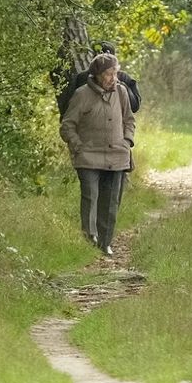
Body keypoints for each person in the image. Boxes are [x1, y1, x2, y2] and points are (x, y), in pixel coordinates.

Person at [60, 53, 135, 256]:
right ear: (98, 74)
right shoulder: (82, 94)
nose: (113, 78)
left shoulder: (121, 92)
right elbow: (67, 125)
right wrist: (78, 146)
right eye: (109, 74)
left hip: (117, 155)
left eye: (115, 73)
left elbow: (129, 120)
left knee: (111, 202)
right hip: (88, 156)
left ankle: (105, 242)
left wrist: (127, 141)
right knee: (90, 197)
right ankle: (89, 238)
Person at [56, 41, 140, 117]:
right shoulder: (82, 78)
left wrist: (121, 85)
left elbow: (134, 107)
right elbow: (69, 107)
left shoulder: (123, 77)